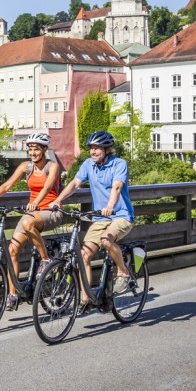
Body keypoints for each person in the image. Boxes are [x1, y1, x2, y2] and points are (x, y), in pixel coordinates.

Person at [50, 131, 134, 313]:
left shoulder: (119, 164)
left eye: (97, 148)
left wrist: (110, 205)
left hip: (121, 215)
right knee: (84, 255)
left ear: (106, 149)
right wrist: (59, 200)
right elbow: (75, 183)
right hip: (99, 218)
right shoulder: (89, 165)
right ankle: (86, 298)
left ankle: (123, 271)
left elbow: (117, 186)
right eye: (91, 148)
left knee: (106, 240)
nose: (93, 152)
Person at [0, 133, 62, 310]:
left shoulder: (52, 166)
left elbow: (47, 187)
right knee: (12, 250)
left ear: (44, 150)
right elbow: (8, 185)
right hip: (32, 213)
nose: (33, 153)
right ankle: (13, 294)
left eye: (37, 149)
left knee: (27, 223)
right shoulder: (26, 167)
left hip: (50, 211)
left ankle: (45, 260)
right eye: (31, 149)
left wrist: (35, 203)